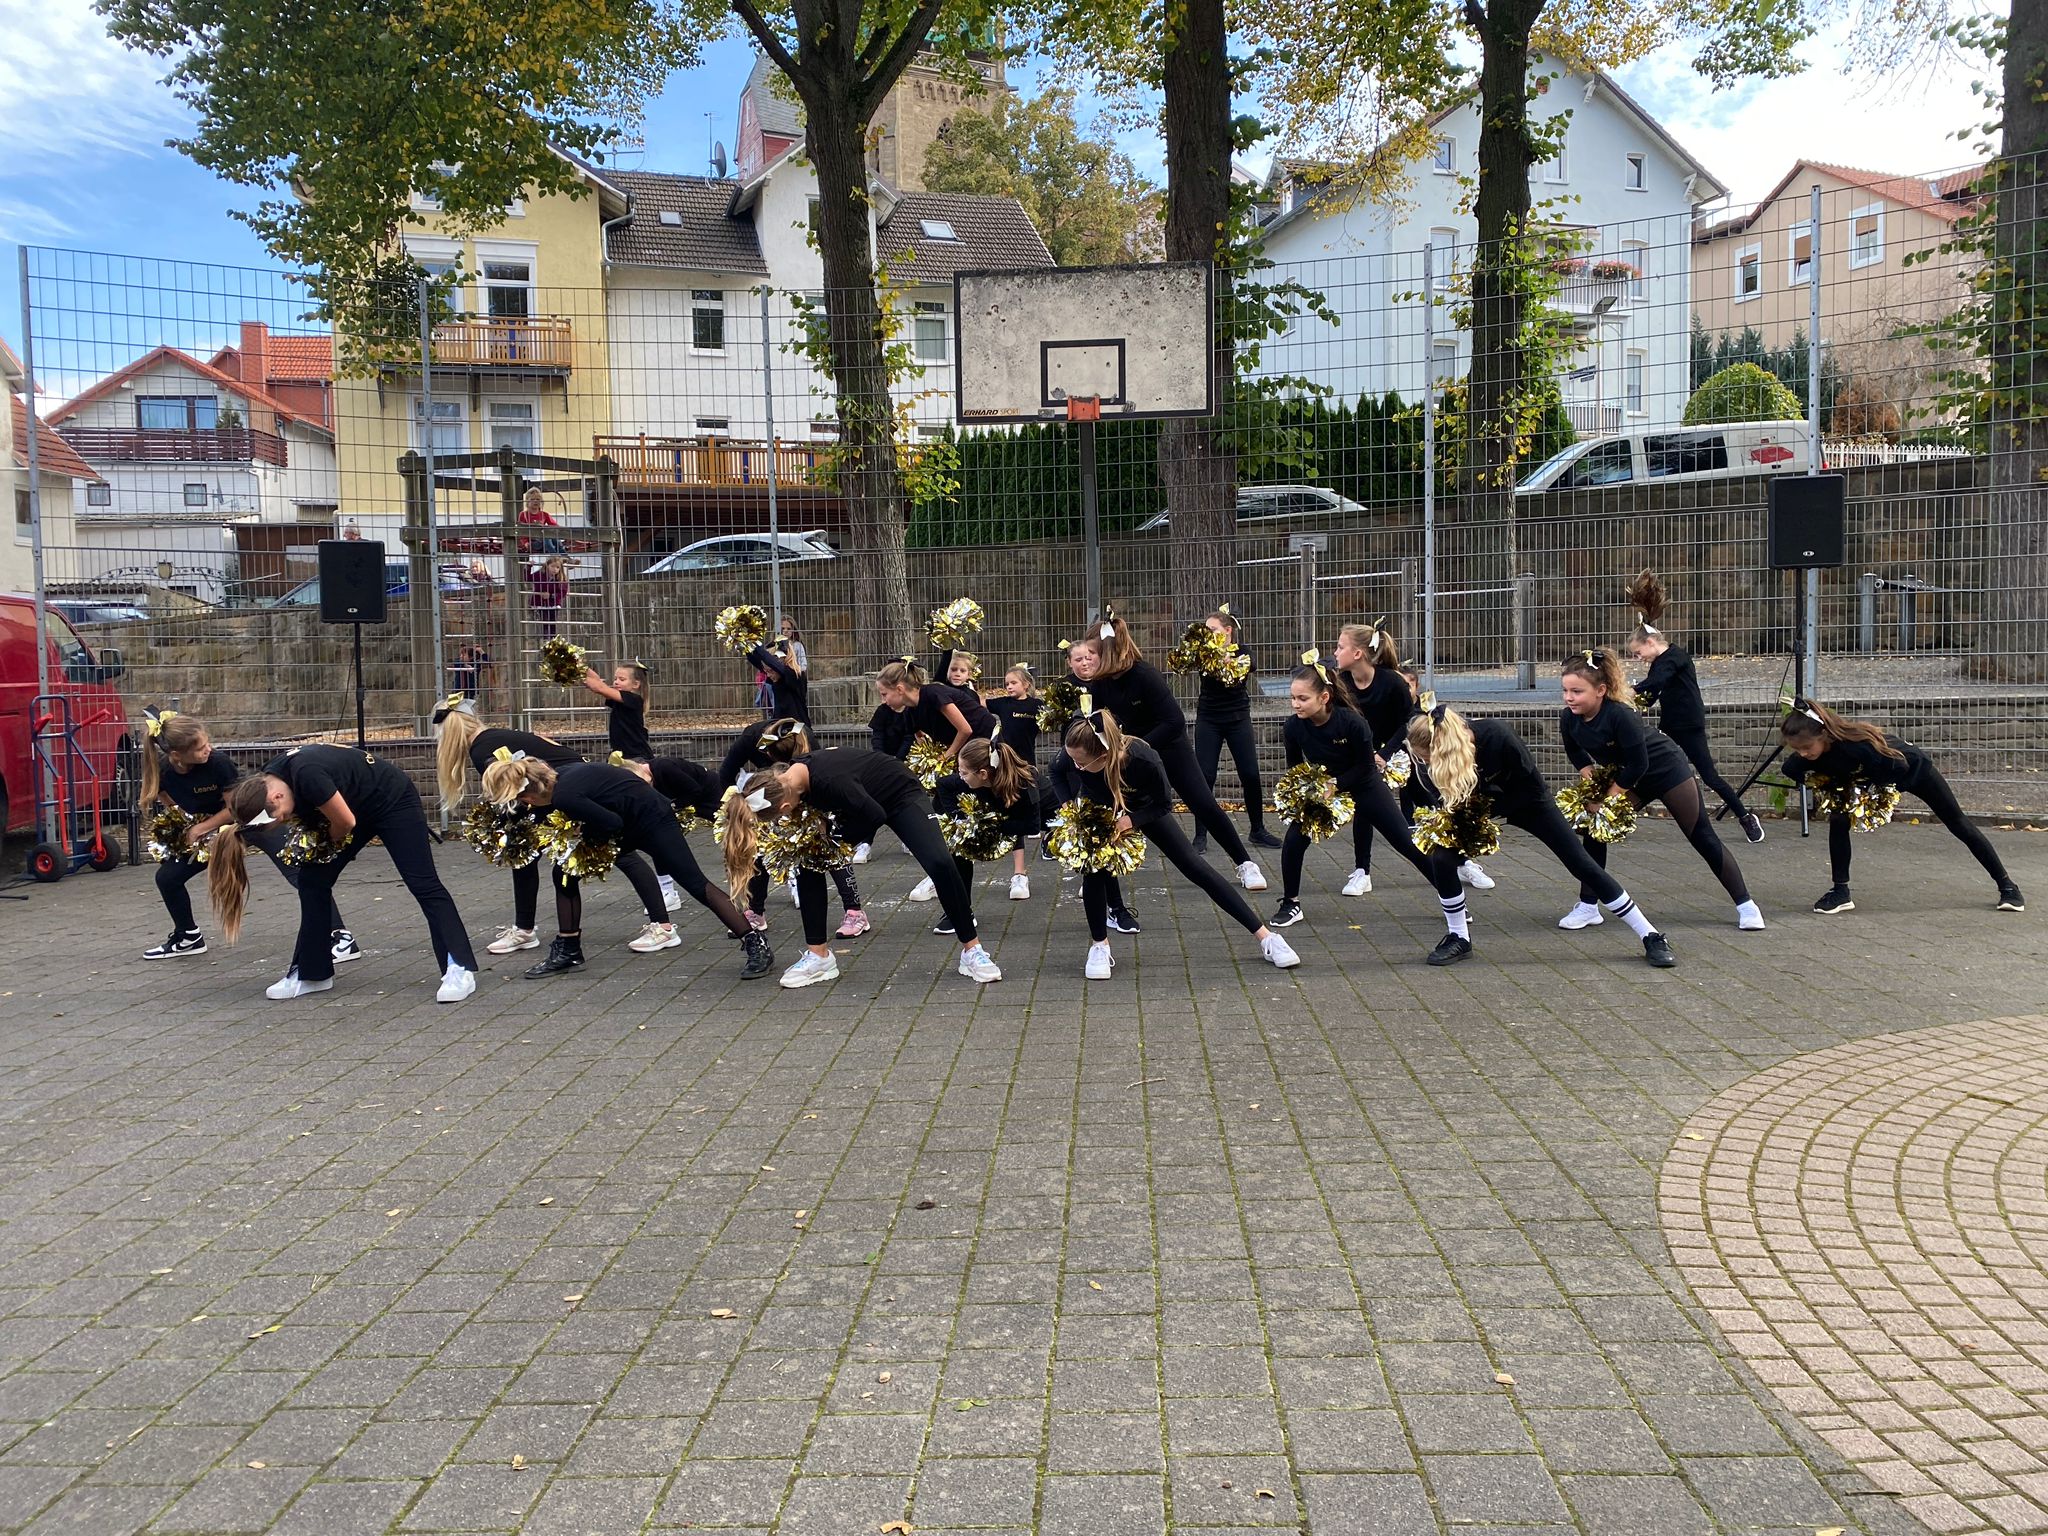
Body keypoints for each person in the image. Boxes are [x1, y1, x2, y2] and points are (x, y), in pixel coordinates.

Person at [1406, 706, 1677, 968]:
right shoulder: (1432, 768)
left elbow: (1527, 782)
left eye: (1427, 757)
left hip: (1529, 800)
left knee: (1581, 863)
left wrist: (1489, 805)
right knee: (1442, 857)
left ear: (1443, 748)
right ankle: (1459, 937)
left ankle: (1650, 935)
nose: (1425, 763)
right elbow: (1448, 802)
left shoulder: (1498, 735)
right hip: (1474, 808)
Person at [208, 744, 478, 1002]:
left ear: (275, 797)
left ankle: (459, 968)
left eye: (280, 817)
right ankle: (312, 974)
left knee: (422, 882)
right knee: (312, 881)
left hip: (391, 801)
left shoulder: (308, 775)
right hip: (352, 807)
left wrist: (323, 845)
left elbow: (345, 823)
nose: (284, 821)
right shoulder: (269, 779)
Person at [721, 748, 1003, 989]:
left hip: (898, 795)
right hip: (857, 800)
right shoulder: (789, 779)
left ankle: (972, 951)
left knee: (940, 863)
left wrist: (835, 836)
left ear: (784, 806)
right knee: (808, 861)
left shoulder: (831, 782)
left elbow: (873, 815)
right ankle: (818, 957)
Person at [434, 700, 678, 969]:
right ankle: (525, 929)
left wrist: (508, 823)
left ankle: (663, 926)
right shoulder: (493, 737)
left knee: (620, 852)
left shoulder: (482, 750)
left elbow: (510, 792)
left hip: (566, 790)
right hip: (560, 787)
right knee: (524, 854)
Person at [482, 756, 774, 980]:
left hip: (653, 821)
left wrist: (585, 840)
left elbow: (611, 823)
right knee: (564, 874)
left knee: (695, 884)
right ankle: (569, 950)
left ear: (528, 797)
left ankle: (755, 942)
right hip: (630, 820)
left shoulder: (565, 795)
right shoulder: (562, 777)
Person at [1063, 711, 1298, 978]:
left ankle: (1267, 937)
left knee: (1194, 866)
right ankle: (1099, 946)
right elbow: (1058, 772)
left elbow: (1163, 805)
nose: (1077, 767)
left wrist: (1131, 821)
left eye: (1081, 763)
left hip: (1144, 809)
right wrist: (1069, 808)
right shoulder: (1077, 749)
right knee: (1094, 868)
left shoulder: (1144, 758)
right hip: (1101, 810)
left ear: (1104, 755)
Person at [1558, 648, 1763, 932]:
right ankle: (1588, 906)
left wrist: (1610, 796)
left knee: (1700, 835)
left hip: (1666, 771)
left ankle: (1746, 905)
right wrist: (1588, 773)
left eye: (1577, 691)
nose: (1569, 697)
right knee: (1595, 831)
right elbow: (1574, 751)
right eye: (1565, 690)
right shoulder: (1569, 717)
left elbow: (1639, 763)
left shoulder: (1621, 715)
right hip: (1630, 776)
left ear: (1601, 690)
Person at [1067, 614, 1268, 893]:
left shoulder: (1145, 675)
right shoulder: (1101, 683)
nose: (1088, 659)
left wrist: (1138, 747)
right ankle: (1096, 875)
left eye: (1093, 652)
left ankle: (1245, 863)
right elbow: (1101, 720)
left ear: (1109, 651)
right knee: (1105, 808)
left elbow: (1174, 721)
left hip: (1169, 748)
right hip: (1130, 755)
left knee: (1203, 804)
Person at [139, 711, 356, 965]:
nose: (208, 749)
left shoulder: (217, 763)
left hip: (255, 819)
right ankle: (188, 937)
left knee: (301, 873)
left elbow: (235, 809)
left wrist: (201, 828)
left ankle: (339, 936)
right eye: (199, 748)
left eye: (207, 742)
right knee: (167, 878)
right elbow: (165, 797)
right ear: (177, 756)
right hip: (214, 831)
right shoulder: (163, 769)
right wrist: (185, 823)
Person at [1780, 699, 2024, 915]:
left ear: (1824, 735)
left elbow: (1899, 767)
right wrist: (1828, 784)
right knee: (1838, 820)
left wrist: (1868, 791)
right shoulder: (1807, 757)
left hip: (1912, 770)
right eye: (1797, 749)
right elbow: (1791, 770)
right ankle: (1840, 892)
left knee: (1957, 822)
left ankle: (2007, 886)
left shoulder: (1858, 745)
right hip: (1866, 780)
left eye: (1807, 748)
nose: (1803, 754)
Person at [1268, 660, 1441, 934]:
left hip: (1363, 784)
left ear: (1324, 697)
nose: (1295, 704)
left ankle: (1450, 898)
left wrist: (1336, 783)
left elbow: (1366, 767)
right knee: (1293, 840)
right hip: (1324, 788)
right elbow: (1295, 768)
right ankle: (1291, 903)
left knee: (1405, 842)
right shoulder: (1293, 726)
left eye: (1302, 698)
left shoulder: (1352, 722)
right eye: (1293, 698)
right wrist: (1308, 791)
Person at [1627, 570, 1764, 844]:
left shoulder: (1675, 657)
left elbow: (1656, 682)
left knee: (1710, 776)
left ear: (1651, 642)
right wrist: (1635, 704)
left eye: (1638, 653)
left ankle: (1745, 817)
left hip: (1689, 727)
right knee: (1649, 769)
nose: (1639, 659)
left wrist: (1631, 691)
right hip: (1669, 726)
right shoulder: (1660, 662)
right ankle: (1621, 815)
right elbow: (1653, 692)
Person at [709, 718, 869, 936]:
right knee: (762, 845)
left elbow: (822, 779)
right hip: (770, 796)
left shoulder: (807, 749)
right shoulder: (750, 738)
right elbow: (726, 773)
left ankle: (854, 911)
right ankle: (755, 911)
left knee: (828, 845)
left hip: (809, 794)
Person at [1191, 609, 1283, 855]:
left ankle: (1257, 830)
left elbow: (1247, 667)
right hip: (1209, 719)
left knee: (1250, 774)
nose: (1208, 634)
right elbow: (1186, 661)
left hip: (1238, 719)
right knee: (1205, 776)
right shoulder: (1203, 652)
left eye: (1212, 629)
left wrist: (1225, 658)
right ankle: (1200, 835)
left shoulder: (1243, 652)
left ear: (1228, 630)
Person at [934, 735, 1040, 916]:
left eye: (963, 772)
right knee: (959, 848)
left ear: (983, 774)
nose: (960, 777)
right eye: (959, 771)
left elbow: (1032, 826)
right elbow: (943, 784)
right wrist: (960, 819)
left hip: (1047, 814)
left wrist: (991, 825)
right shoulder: (970, 779)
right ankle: (961, 912)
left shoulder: (1024, 785)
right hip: (1003, 816)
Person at [582, 661, 652, 761]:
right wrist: (578, 665)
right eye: (615, 679)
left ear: (636, 684)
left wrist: (575, 669)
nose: (616, 682)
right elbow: (597, 681)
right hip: (621, 754)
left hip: (636, 756)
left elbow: (599, 687)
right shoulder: (619, 699)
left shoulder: (634, 699)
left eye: (622, 679)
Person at [748, 638, 810, 726]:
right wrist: (746, 644)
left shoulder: (795, 675)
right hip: (779, 723)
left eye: (770, 671)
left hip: (798, 726)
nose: (768, 675)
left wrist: (756, 642)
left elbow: (772, 663)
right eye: (766, 671)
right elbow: (757, 662)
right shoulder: (777, 676)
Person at [518, 486, 564, 554]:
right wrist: (525, 542)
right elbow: (521, 531)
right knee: (547, 537)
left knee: (554, 539)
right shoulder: (523, 514)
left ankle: (564, 556)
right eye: (532, 499)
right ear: (527, 501)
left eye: (538, 499)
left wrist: (562, 532)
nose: (535, 501)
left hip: (545, 541)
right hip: (533, 542)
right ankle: (555, 556)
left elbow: (554, 525)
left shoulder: (544, 514)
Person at [531, 555, 568, 639]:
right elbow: (528, 578)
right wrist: (529, 566)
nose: (555, 569)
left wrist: (551, 596)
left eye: (557, 567)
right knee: (544, 623)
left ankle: (552, 641)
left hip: (553, 604)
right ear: (547, 566)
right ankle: (545, 641)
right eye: (552, 566)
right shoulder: (540, 574)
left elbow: (563, 592)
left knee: (552, 624)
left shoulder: (561, 578)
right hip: (540, 603)